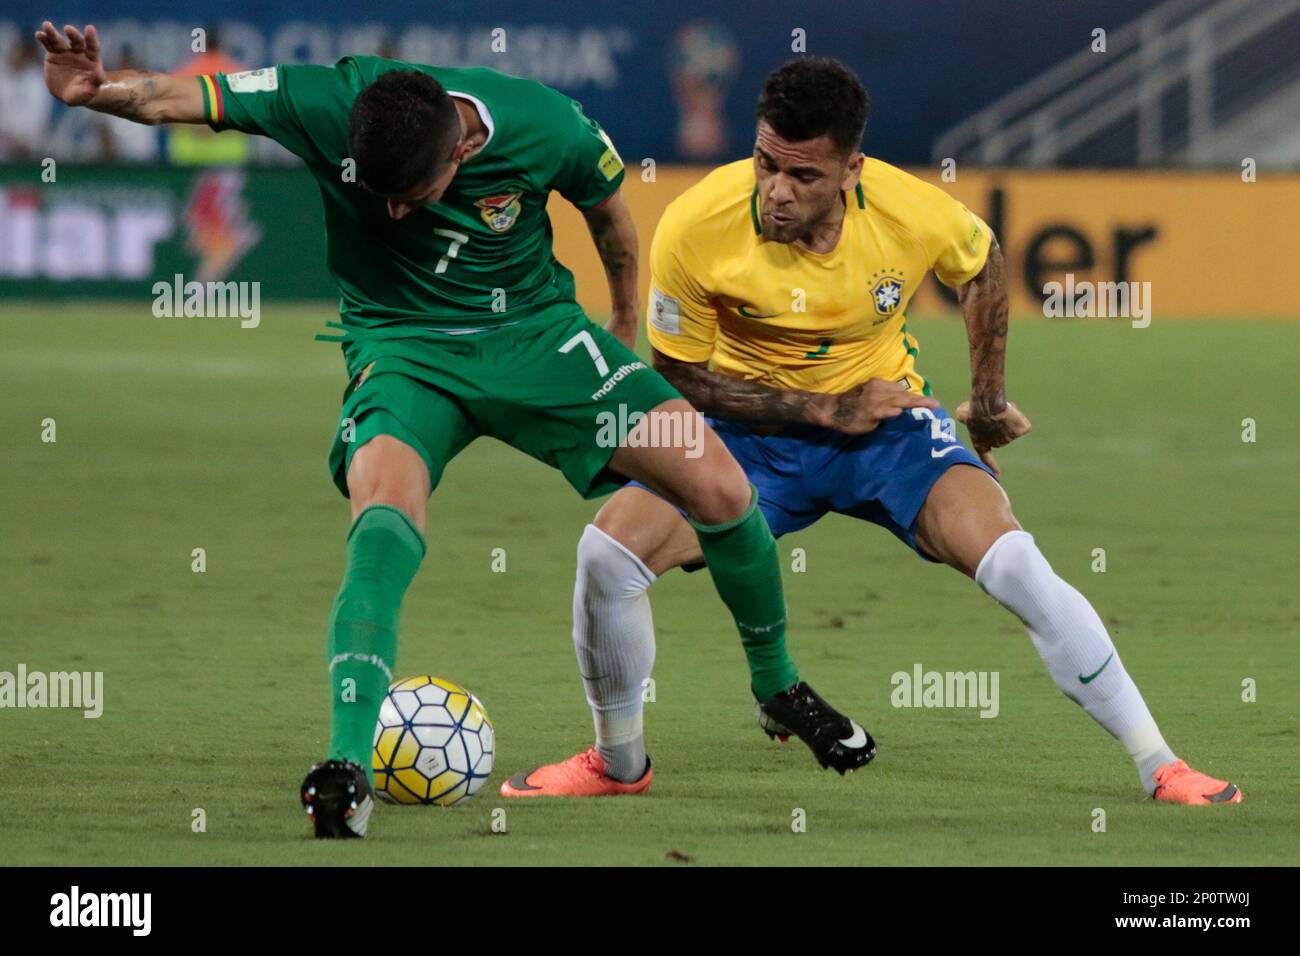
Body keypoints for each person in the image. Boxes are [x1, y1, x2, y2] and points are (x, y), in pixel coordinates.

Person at [34, 21, 875, 838]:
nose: (396, 214)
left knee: (721, 485)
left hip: (539, 335)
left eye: (416, 196)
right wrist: (90, 93)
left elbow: (612, 218)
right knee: (383, 518)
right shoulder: (328, 101)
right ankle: (344, 766)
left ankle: (777, 685)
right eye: (382, 194)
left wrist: (620, 329)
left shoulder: (544, 124)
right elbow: (172, 95)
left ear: (464, 151)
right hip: (402, 346)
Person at [504, 58, 1242, 808]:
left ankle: (1162, 767)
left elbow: (982, 263)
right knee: (605, 556)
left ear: (851, 169)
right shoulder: (697, 225)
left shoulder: (907, 208)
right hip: (748, 430)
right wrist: (820, 409)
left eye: (805, 177)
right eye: (766, 165)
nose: (777, 192)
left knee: (1017, 565)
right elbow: (682, 376)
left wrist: (986, 400)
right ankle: (618, 763)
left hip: (886, 427)